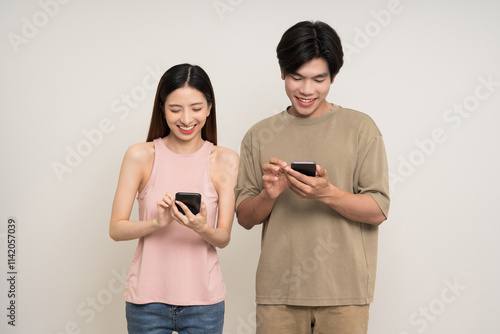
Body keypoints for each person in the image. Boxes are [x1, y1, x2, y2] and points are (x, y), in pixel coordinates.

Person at [235, 21, 390, 334]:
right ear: (282, 72)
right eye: (297, 78)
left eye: (319, 79)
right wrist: (270, 194)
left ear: (333, 76)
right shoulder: (259, 135)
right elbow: (244, 218)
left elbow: (378, 211)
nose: (307, 90)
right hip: (277, 295)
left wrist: (327, 193)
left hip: (345, 294)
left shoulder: (361, 129)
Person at [109, 63, 239, 334]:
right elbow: (117, 229)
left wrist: (200, 227)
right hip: (147, 302)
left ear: (209, 108)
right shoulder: (140, 155)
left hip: (205, 304)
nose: (187, 119)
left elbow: (223, 237)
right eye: (175, 109)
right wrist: (158, 222)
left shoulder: (225, 160)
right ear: (162, 109)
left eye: (196, 108)